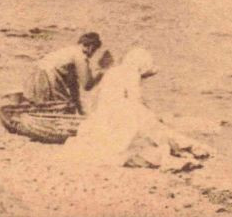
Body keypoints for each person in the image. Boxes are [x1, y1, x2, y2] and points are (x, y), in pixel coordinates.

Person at [61, 47, 212, 171]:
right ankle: (181, 148)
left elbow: (99, 98)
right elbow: (135, 99)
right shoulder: (131, 72)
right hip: (121, 112)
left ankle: (179, 147)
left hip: (104, 113)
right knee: (152, 128)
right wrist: (150, 113)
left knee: (138, 129)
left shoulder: (113, 71)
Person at [28, 32, 105, 114]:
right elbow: (87, 85)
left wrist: (79, 109)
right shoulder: (80, 56)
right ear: (91, 47)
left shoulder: (70, 51)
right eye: (94, 50)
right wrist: (100, 73)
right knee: (64, 108)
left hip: (36, 75)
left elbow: (73, 85)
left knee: (46, 107)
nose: (93, 54)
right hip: (48, 77)